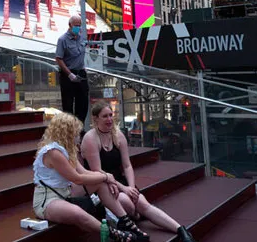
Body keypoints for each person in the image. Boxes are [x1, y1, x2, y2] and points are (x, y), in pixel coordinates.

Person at [82, 102, 197, 242]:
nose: (109, 119)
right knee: (127, 202)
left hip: (120, 181)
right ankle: (136, 216)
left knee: (142, 203)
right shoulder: (90, 138)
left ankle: (181, 230)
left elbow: (127, 166)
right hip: (102, 184)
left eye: (111, 115)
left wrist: (131, 187)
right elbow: (97, 171)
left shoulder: (118, 135)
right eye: (105, 116)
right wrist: (124, 189)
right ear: (95, 119)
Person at [32, 113, 144, 242]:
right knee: (76, 212)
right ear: (66, 132)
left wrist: (105, 177)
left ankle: (125, 221)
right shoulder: (53, 152)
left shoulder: (67, 149)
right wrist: (105, 177)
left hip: (66, 192)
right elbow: (77, 178)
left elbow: (84, 171)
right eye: (76, 132)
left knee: (100, 182)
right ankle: (114, 233)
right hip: (47, 200)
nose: (78, 136)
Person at [56, 15, 89, 126]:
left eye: (80, 26)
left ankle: (79, 129)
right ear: (70, 25)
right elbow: (59, 59)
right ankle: (69, 131)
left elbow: (82, 53)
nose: (78, 28)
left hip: (81, 73)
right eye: (76, 26)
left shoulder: (82, 38)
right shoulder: (62, 40)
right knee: (68, 105)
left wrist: (83, 67)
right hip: (68, 74)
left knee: (83, 104)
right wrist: (70, 75)